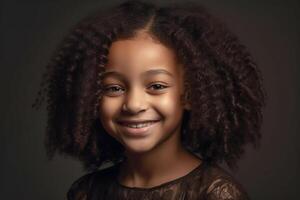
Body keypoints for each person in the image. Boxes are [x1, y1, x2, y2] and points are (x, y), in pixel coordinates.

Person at [32, 0, 266, 199]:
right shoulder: (86, 192)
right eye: (114, 88)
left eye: (156, 86)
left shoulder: (216, 194)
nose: (133, 104)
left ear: (190, 95)